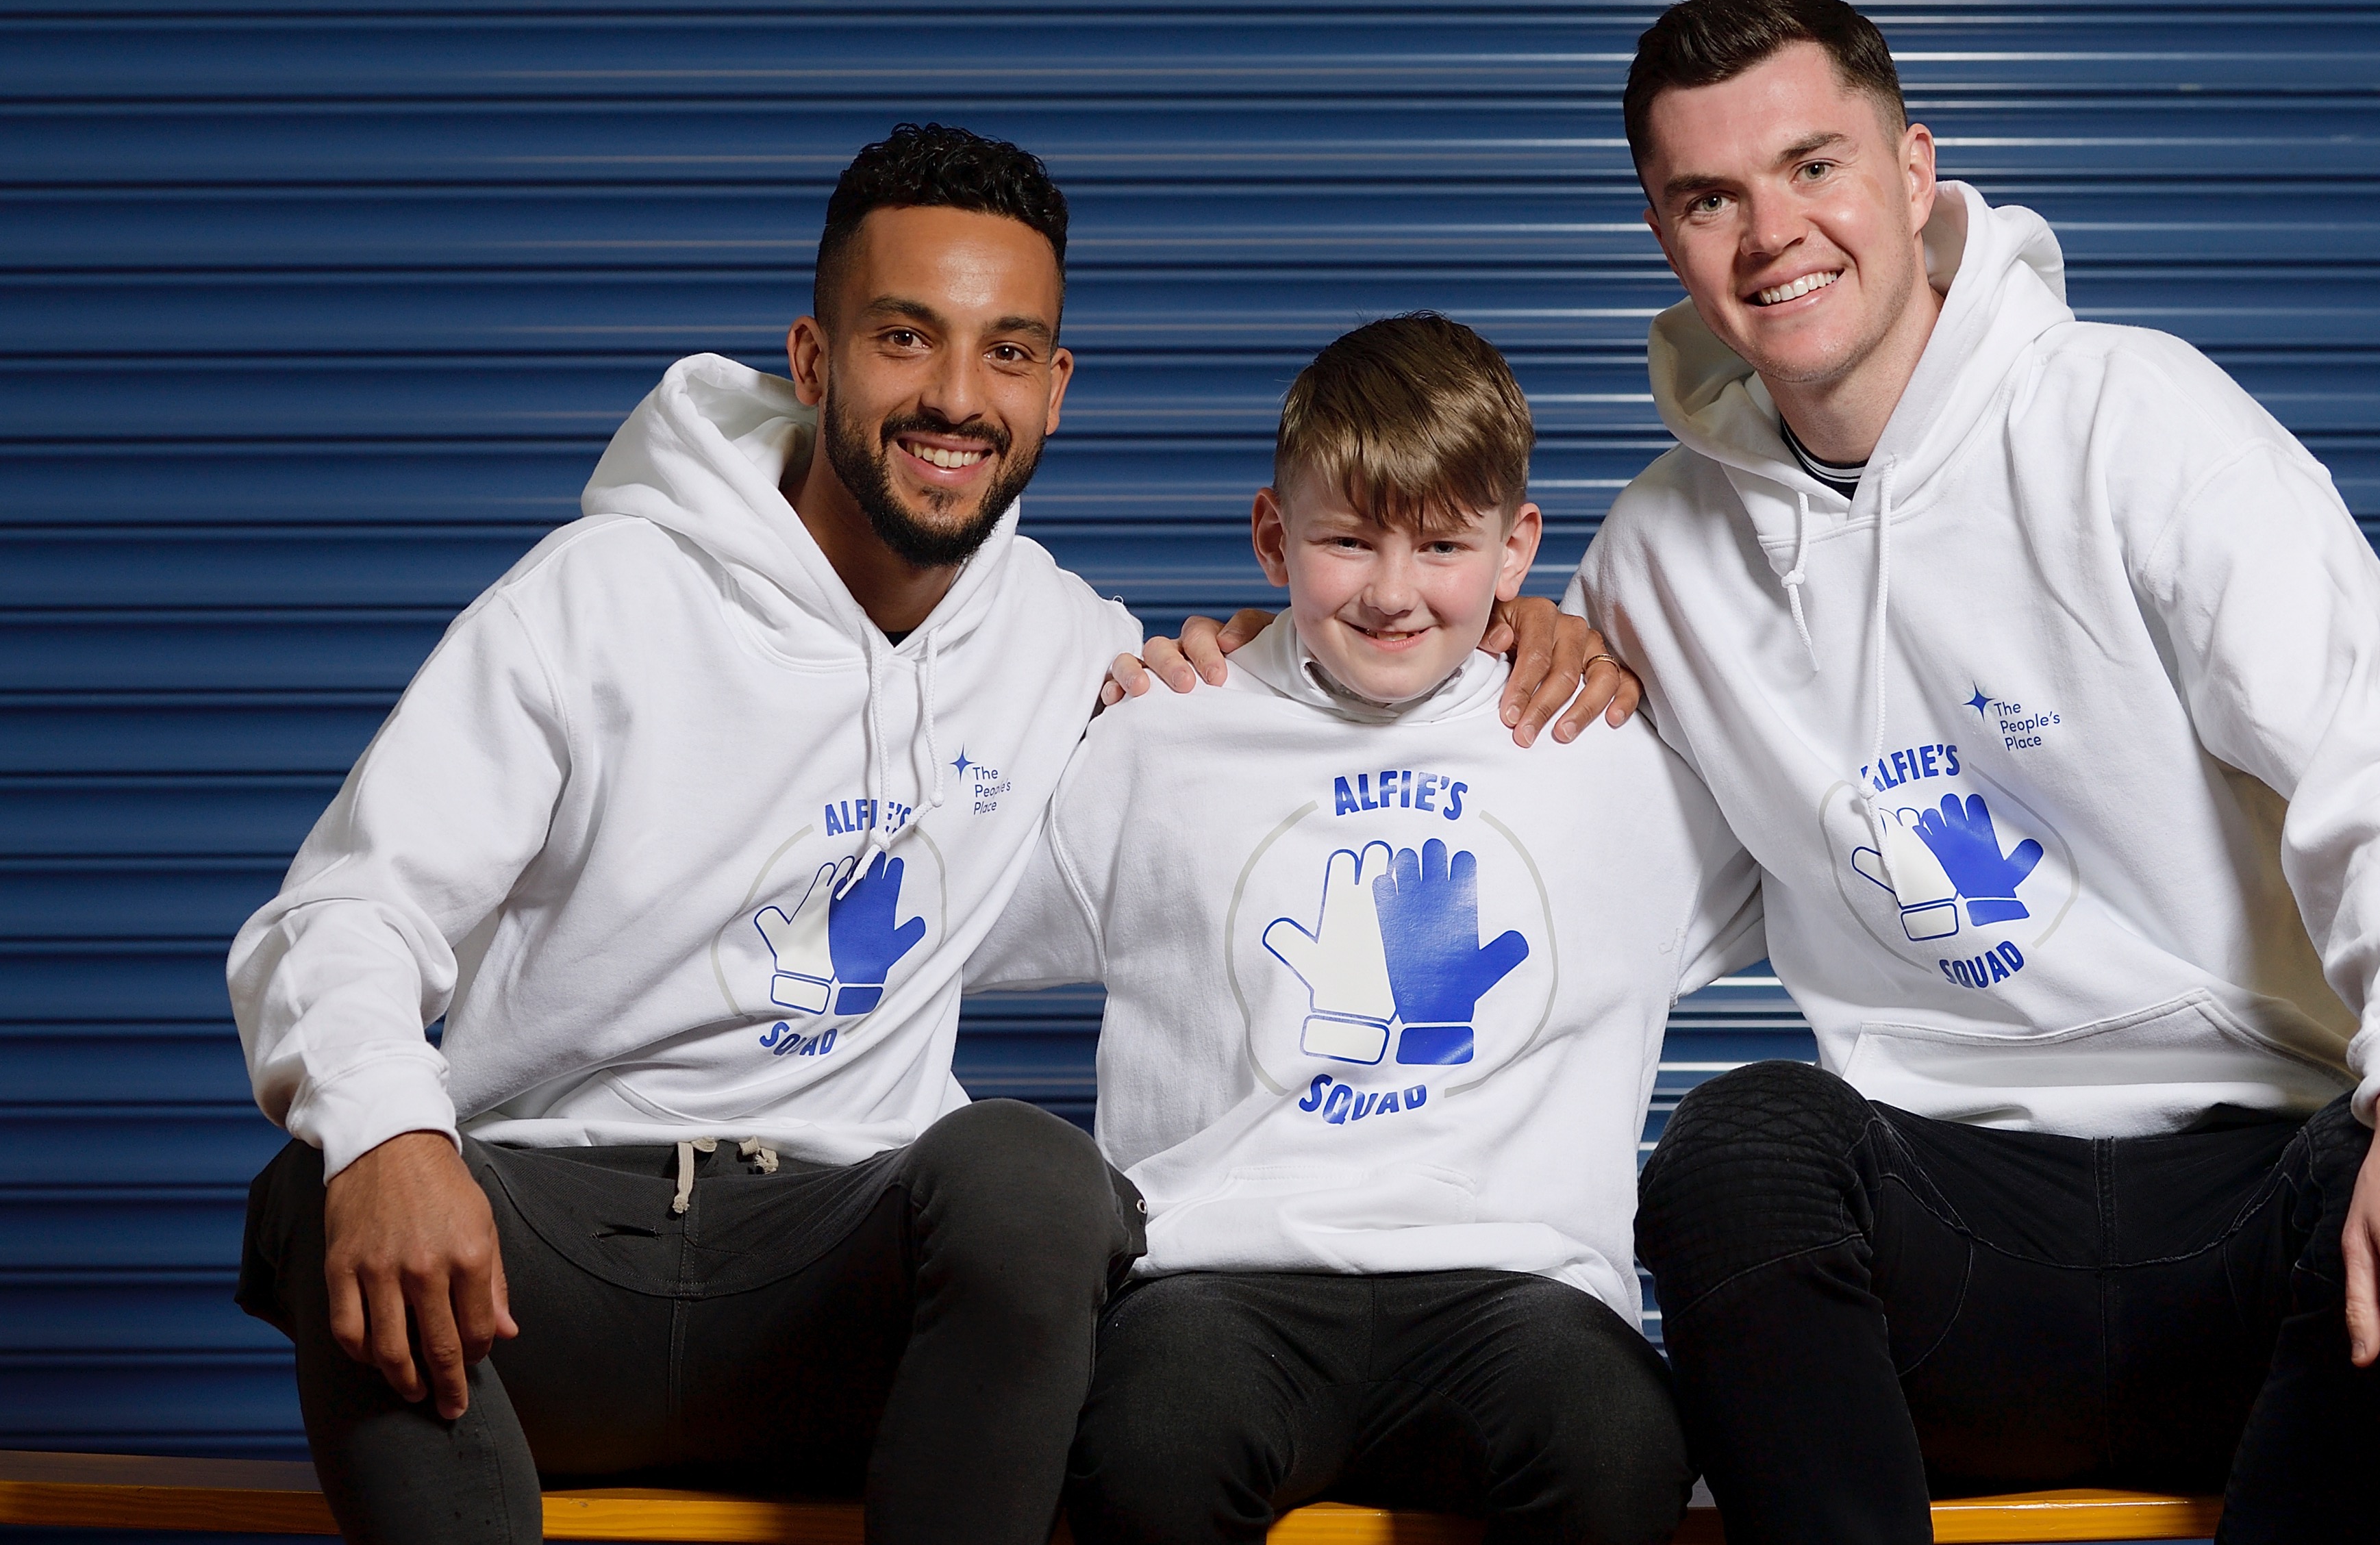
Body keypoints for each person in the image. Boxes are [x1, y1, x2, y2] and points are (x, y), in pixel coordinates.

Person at [225, 125, 1620, 1545]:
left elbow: (1290, 734)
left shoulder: (1069, 646)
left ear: (1055, 391)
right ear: (815, 358)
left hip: (841, 1287)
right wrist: (393, 1139)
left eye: (1007, 351)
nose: (956, 396)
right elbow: (341, 915)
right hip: (545, 1267)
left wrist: (1519, 628)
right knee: (320, 1180)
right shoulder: (594, 602)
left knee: (1032, 1180)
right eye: (906, 337)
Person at [1565, 1, 2380, 1542]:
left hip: (2244, 1213)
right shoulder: (1650, 559)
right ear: (1665, 236)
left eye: (1811, 163)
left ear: (1912, 167)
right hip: (1946, 1256)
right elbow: (1609, 898)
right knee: (1735, 1143)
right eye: (1709, 198)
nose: (1771, 234)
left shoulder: (2134, 420)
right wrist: (1351, 679)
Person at [969, 314, 1766, 1545]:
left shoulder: (1609, 752)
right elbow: (934, 933)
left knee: (1619, 1443)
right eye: (1346, 541)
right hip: (1216, 1285)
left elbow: (1835, 878)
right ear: (1272, 536)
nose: (1394, 591)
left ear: (1518, 551)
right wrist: (1065, 711)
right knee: (1144, 1447)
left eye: (1444, 543)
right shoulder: (1160, 734)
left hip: (1524, 1288)